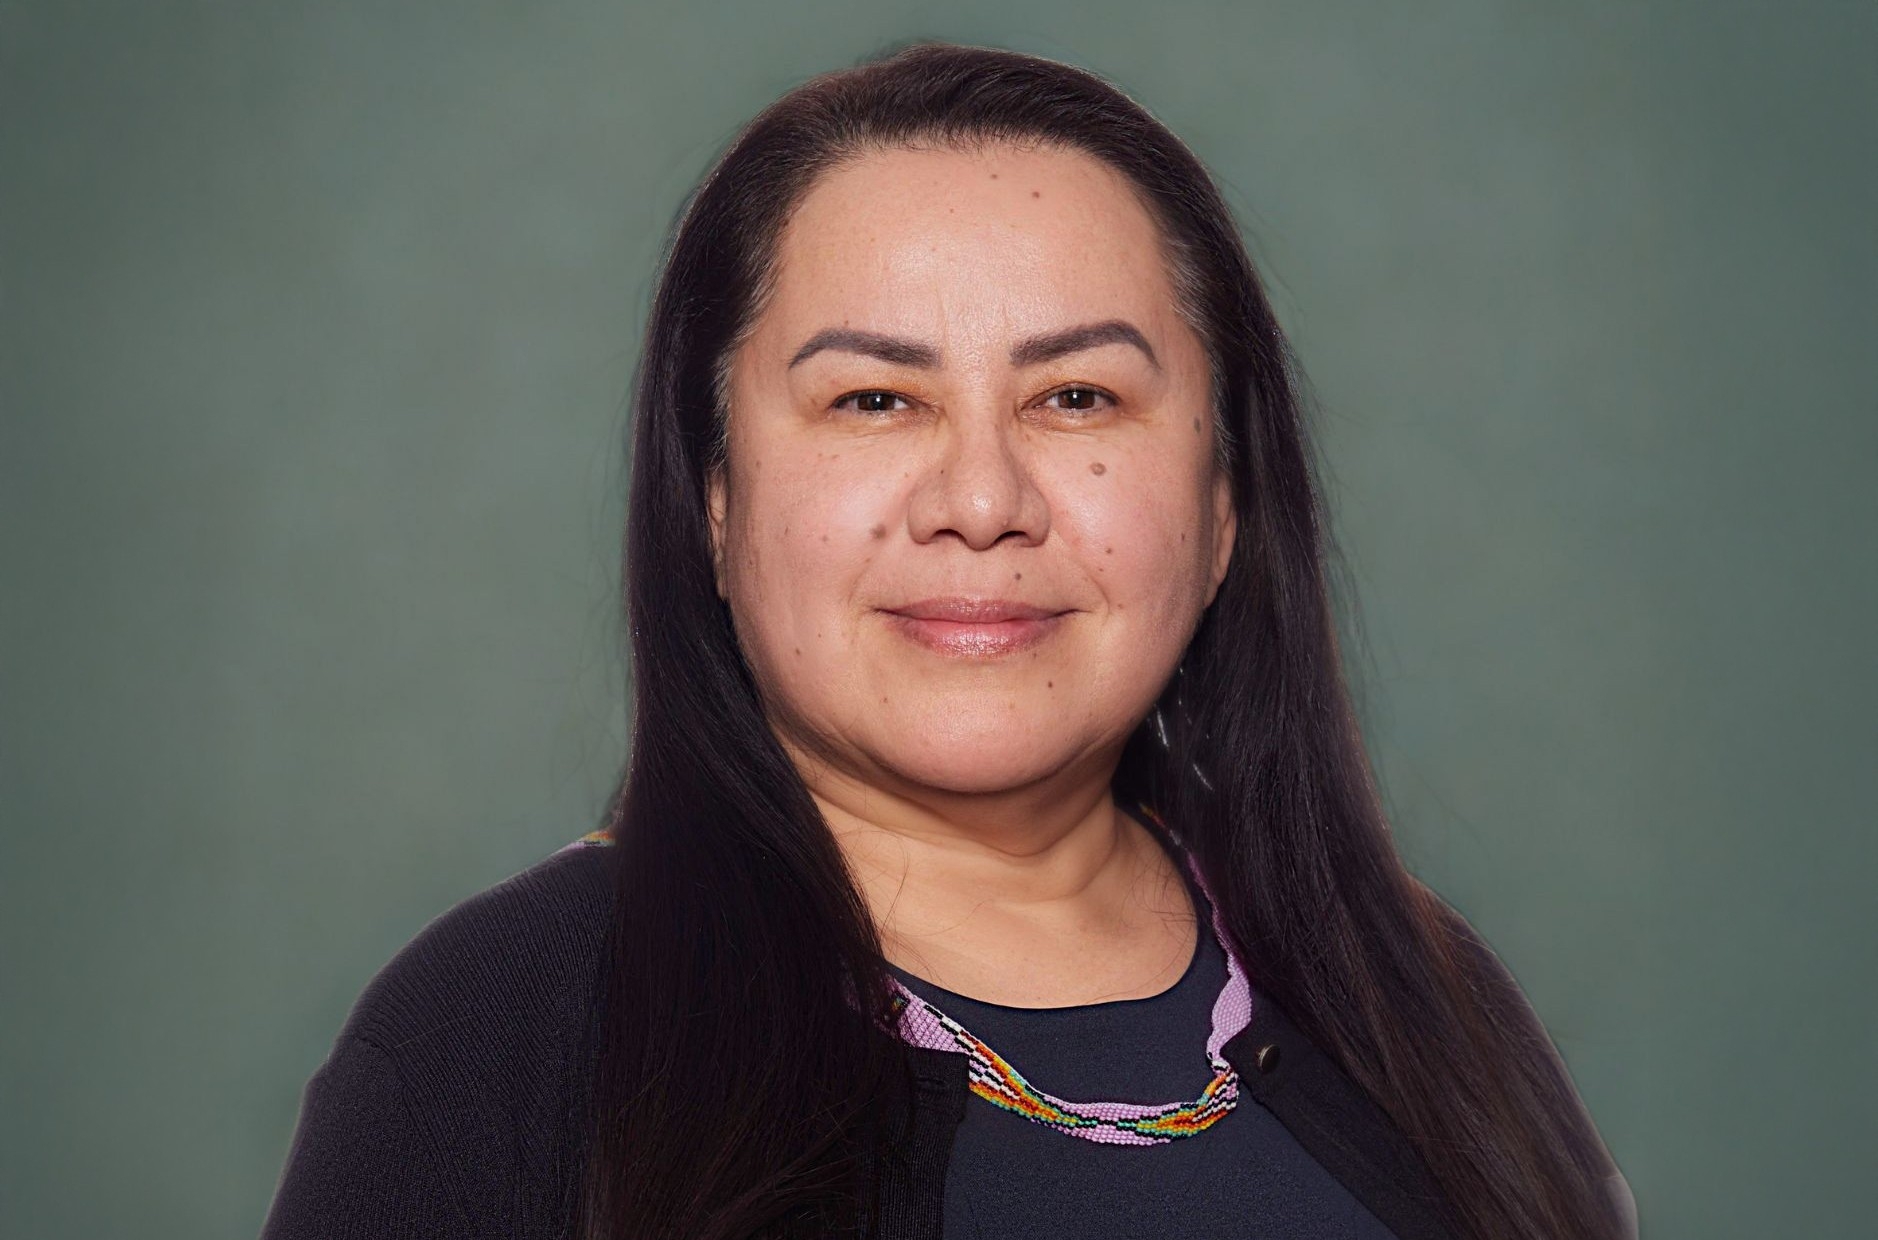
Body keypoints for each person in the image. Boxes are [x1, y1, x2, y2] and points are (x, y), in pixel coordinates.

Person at [261, 40, 1636, 1240]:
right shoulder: (504, 1033)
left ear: (1222, 508)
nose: (980, 503)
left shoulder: (1427, 1009)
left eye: (1080, 396)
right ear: (718, 507)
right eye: (871, 401)